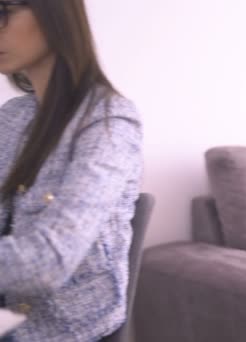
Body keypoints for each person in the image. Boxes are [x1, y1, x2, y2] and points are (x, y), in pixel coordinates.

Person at [0, 0, 143, 341]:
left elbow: (49, 260)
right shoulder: (13, 116)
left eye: (3, 11)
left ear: (56, 13)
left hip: (67, 331)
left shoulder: (109, 121)